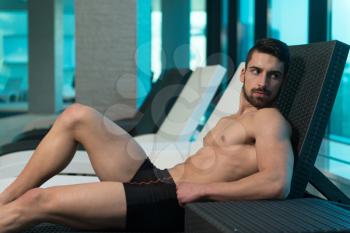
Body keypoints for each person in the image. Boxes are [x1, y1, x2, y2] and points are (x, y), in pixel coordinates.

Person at [0, 38, 294, 232]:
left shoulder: (269, 120)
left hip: (166, 202)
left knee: (36, 202)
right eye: (256, 71)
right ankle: (6, 198)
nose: (263, 83)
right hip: (156, 175)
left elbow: (276, 182)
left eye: (274, 75)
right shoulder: (231, 118)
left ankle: (12, 205)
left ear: (282, 81)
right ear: (243, 74)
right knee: (76, 115)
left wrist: (204, 191)